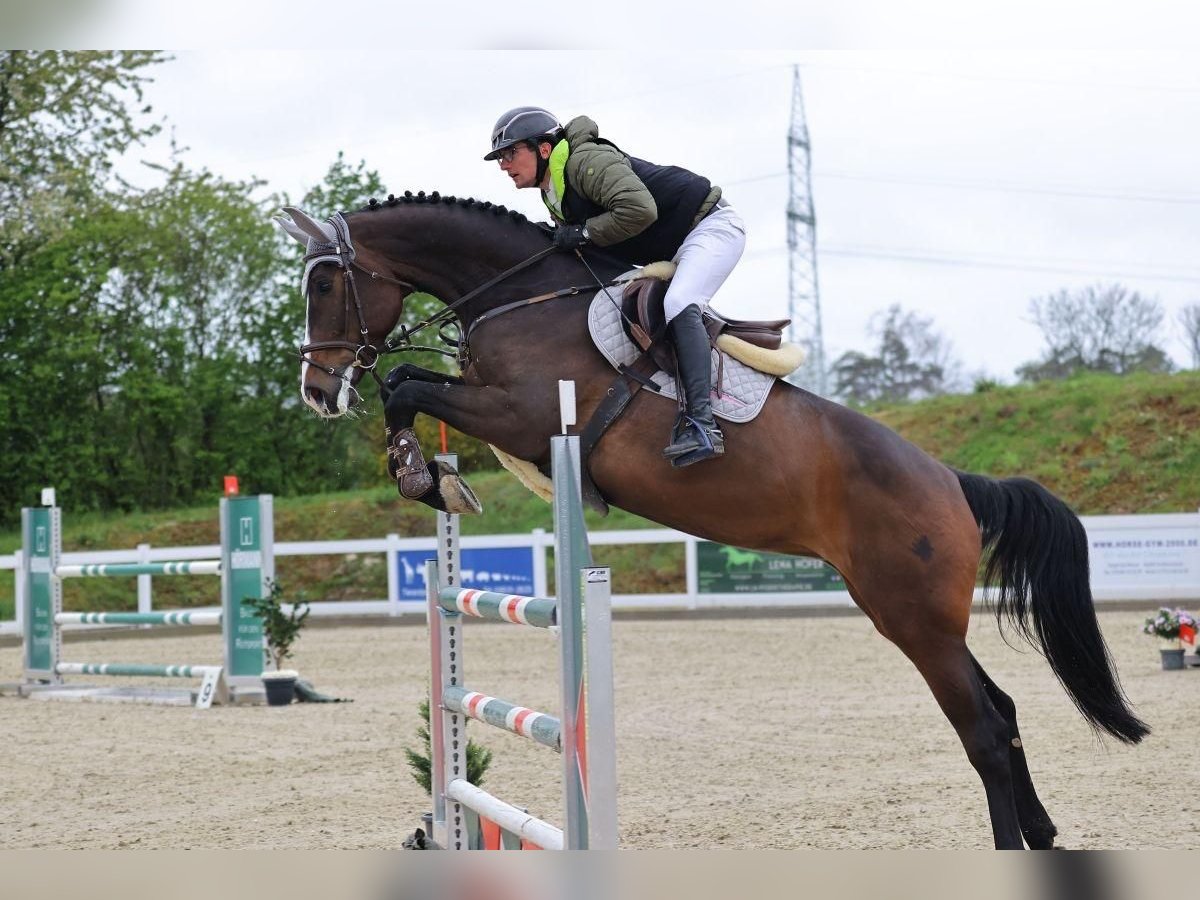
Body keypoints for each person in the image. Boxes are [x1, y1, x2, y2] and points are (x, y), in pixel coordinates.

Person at [484, 106, 746, 467]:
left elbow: (640, 211)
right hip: (672, 244)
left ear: (544, 149)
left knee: (680, 302)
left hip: (710, 227)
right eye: (501, 157)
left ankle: (702, 423)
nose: (504, 165)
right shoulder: (553, 191)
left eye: (511, 153)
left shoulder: (584, 161)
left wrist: (583, 232)